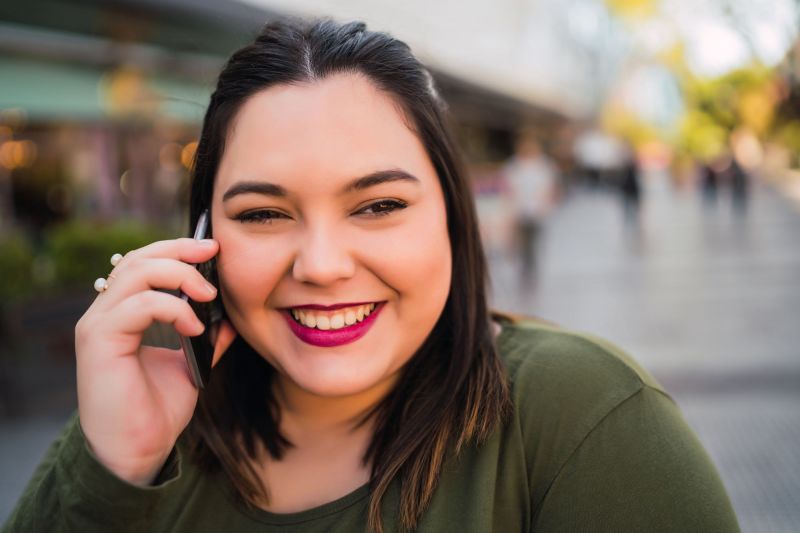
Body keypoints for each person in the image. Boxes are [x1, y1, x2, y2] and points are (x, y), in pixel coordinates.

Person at [3, 18, 740, 533]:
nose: (321, 266)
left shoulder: (586, 418)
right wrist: (113, 470)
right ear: (203, 238)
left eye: (379, 204)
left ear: (451, 215)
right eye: (263, 213)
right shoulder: (141, 440)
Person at [502, 134, 558, 286]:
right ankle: (525, 269)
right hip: (520, 211)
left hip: (537, 212)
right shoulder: (513, 166)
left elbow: (549, 188)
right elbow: (508, 190)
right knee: (523, 243)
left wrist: (544, 206)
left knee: (533, 242)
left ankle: (531, 269)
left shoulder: (543, 166)